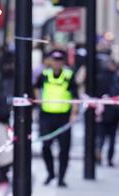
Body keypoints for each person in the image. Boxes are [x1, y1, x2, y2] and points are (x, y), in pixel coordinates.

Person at [34, 49, 79, 187]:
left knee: (64, 149)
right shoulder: (44, 74)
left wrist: (74, 113)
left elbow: (75, 96)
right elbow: (36, 87)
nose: (57, 63)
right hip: (46, 116)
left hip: (63, 117)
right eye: (54, 60)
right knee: (45, 147)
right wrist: (38, 101)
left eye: (59, 61)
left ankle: (61, 178)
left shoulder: (69, 75)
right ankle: (51, 173)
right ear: (50, 61)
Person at [94, 57, 119, 166]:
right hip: (113, 113)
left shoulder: (99, 78)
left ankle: (99, 157)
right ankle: (109, 159)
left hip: (102, 112)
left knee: (101, 137)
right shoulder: (116, 79)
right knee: (111, 139)